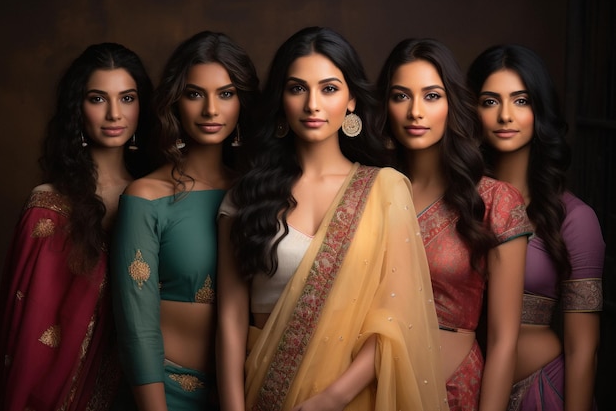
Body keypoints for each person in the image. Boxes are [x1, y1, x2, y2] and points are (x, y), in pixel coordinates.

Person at [216, 26, 449, 411]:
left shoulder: (385, 190)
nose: (313, 105)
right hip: (264, 389)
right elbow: (230, 319)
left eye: (328, 89)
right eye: (297, 89)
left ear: (352, 99)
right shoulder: (245, 198)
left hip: (351, 397)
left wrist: (331, 399)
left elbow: (395, 319)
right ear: (281, 100)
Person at [0, 42, 153, 411]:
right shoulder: (48, 207)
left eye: (127, 98)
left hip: (152, 388)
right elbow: (27, 337)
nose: (114, 114)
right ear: (76, 109)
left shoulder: (159, 196)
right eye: (98, 99)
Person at [376, 38, 533, 411]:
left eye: (431, 96)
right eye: (401, 96)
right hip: (371, 388)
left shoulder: (495, 201)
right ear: (385, 106)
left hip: (454, 392)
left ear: (452, 105)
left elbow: (503, 340)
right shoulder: (370, 192)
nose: (416, 111)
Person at [110, 31, 259, 411]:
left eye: (226, 93)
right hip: (166, 395)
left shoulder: (257, 193)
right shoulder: (146, 196)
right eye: (195, 94)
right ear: (175, 102)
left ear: (243, 100)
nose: (211, 109)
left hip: (252, 391)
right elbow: (136, 325)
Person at [467, 44, 604, 411]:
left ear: (539, 110)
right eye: (490, 101)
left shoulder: (574, 218)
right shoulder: (458, 204)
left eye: (521, 101)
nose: (505, 115)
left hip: (542, 392)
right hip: (458, 390)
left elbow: (582, 350)